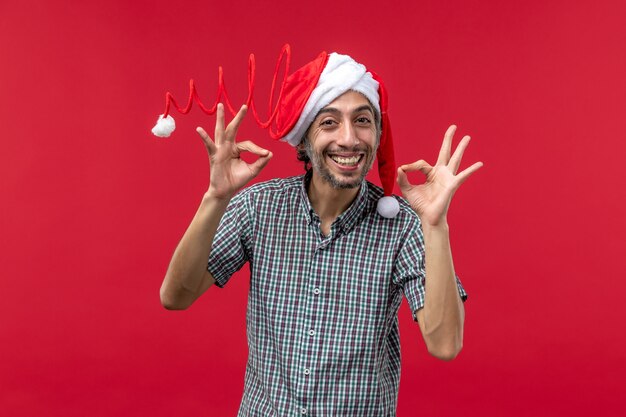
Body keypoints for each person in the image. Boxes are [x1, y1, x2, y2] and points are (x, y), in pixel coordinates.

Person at [158, 49, 482, 416]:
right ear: (303, 140)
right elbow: (175, 296)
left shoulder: (405, 225)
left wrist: (436, 226)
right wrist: (215, 197)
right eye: (329, 123)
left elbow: (445, 344)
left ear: (377, 133)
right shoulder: (259, 207)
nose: (349, 139)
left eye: (362, 120)